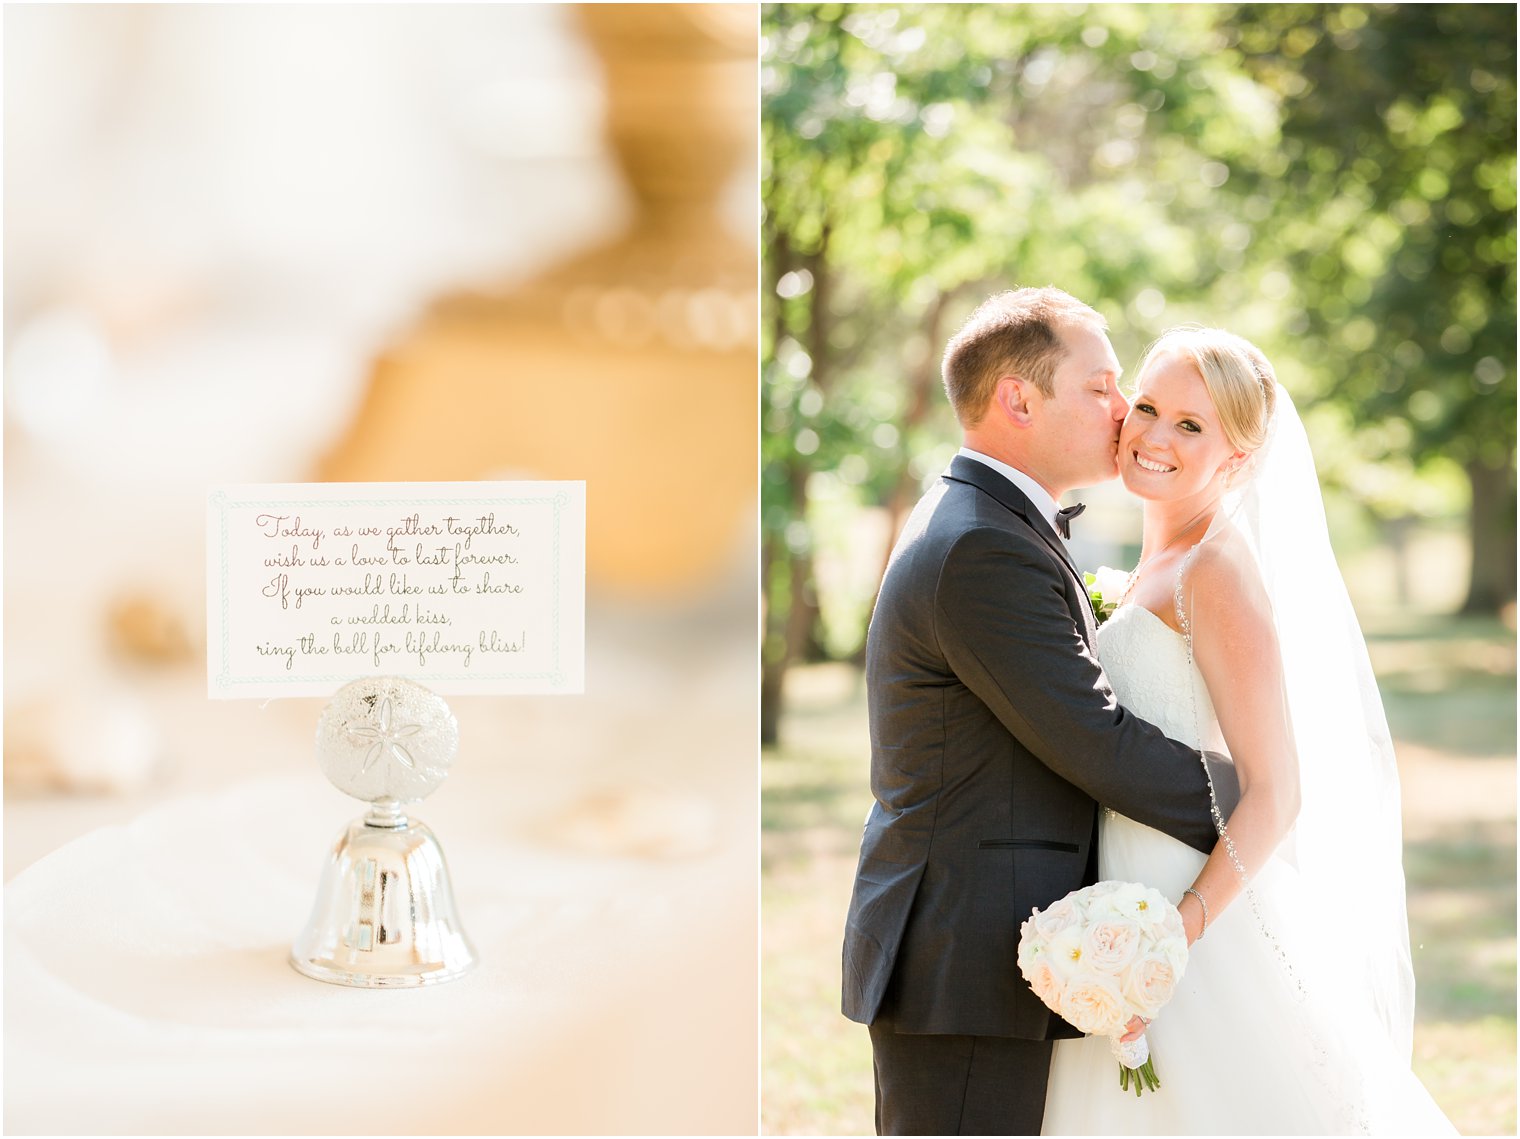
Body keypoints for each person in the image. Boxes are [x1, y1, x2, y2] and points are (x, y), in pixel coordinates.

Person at [840, 287, 1239, 1136]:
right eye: (1100, 386)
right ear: (1019, 399)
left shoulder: (988, 519)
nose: (1124, 409)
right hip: (963, 964)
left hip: (980, 952)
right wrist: (1261, 808)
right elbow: (1095, 738)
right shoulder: (984, 544)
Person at [1040, 327, 1454, 1134]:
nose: (1155, 435)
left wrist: (1172, 934)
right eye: (1149, 406)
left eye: (1192, 425)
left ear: (1239, 454)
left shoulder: (1214, 569)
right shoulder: (1152, 563)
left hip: (1197, 919)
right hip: (1121, 904)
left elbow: (1277, 790)